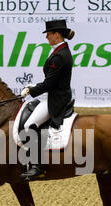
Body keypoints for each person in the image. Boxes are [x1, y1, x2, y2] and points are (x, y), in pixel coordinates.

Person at [20, 19, 75, 180]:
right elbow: (52, 80)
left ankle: (37, 166)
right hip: (55, 94)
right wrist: (34, 86)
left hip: (57, 98)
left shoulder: (60, 55)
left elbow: (50, 83)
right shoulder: (60, 51)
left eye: (48, 34)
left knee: (30, 125)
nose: (47, 38)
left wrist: (31, 90)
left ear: (56, 35)